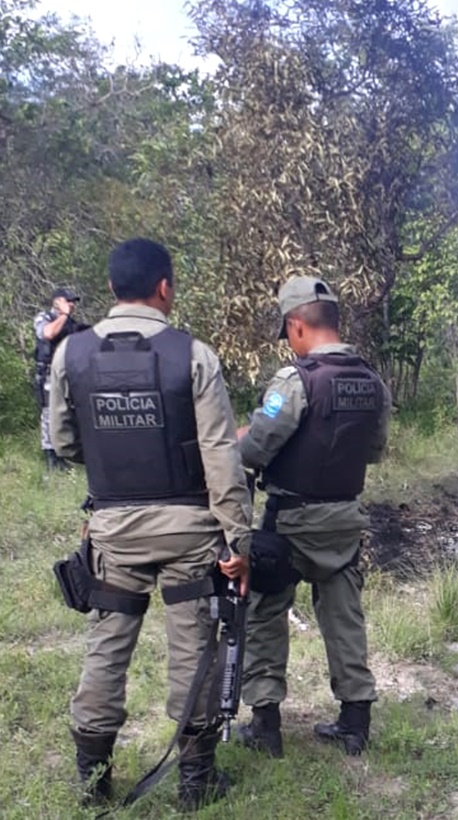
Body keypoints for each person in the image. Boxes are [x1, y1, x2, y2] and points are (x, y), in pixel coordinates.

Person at [48, 238, 253, 810]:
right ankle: (196, 783)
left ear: (112, 289)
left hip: (113, 528)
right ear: (165, 287)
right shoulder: (194, 355)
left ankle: (94, 783)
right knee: (193, 649)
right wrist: (238, 539)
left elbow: (63, 441)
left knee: (106, 648)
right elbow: (221, 457)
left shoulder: (71, 355)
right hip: (190, 531)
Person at [236, 275, 390, 758]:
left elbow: (257, 448)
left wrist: (240, 436)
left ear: (296, 325)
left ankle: (265, 727)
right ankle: (355, 722)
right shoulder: (373, 381)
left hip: (291, 524)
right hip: (345, 519)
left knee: (264, 614)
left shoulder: (294, 381)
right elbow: (376, 451)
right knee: (345, 618)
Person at [33, 286, 88, 469]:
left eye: (73, 302)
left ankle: (65, 454)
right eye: (68, 301)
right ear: (57, 302)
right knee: (49, 413)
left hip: (67, 374)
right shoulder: (44, 318)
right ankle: (51, 459)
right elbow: (47, 334)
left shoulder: (72, 323)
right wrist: (63, 316)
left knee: (69, 411)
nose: (72, 305)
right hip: (48, 374)